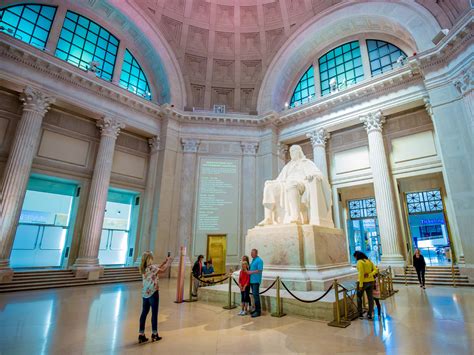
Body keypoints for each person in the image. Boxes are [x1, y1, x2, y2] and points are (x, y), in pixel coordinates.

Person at [138, 251, 172, 343]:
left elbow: (156, 269)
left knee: (144, 313)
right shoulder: (152, 267)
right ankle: (155, 334)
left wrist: (163, 263)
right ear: (149, 259)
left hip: (145, 293)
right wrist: (168, 262)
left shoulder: (143, 268)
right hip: (153, 292)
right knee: (154, 313)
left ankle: (141, 334)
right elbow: (163, 271)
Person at [354, 251, 376, 320]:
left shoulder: (359, 262)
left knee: (359, 297)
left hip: (363, 283)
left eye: (355, 256)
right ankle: (369, 314)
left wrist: (360, 284)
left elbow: (361, 274)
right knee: (370, 298)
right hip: (371, 281)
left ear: (357, 256)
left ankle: (360, 313)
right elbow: (376, 270)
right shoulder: (369, 261)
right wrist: (369, 275)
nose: (355, 258)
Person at [247, 249, 264, 318]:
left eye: (253, 253)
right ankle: (256, 310)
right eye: (251, 253)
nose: (251, 254)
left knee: (256, 296)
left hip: (256, 281)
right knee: (254, 296)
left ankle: (258, 311)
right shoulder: (253, 260)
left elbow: (260, 270)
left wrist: (251, 272)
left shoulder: (259, 260)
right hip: (251, 281)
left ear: (256, 253)